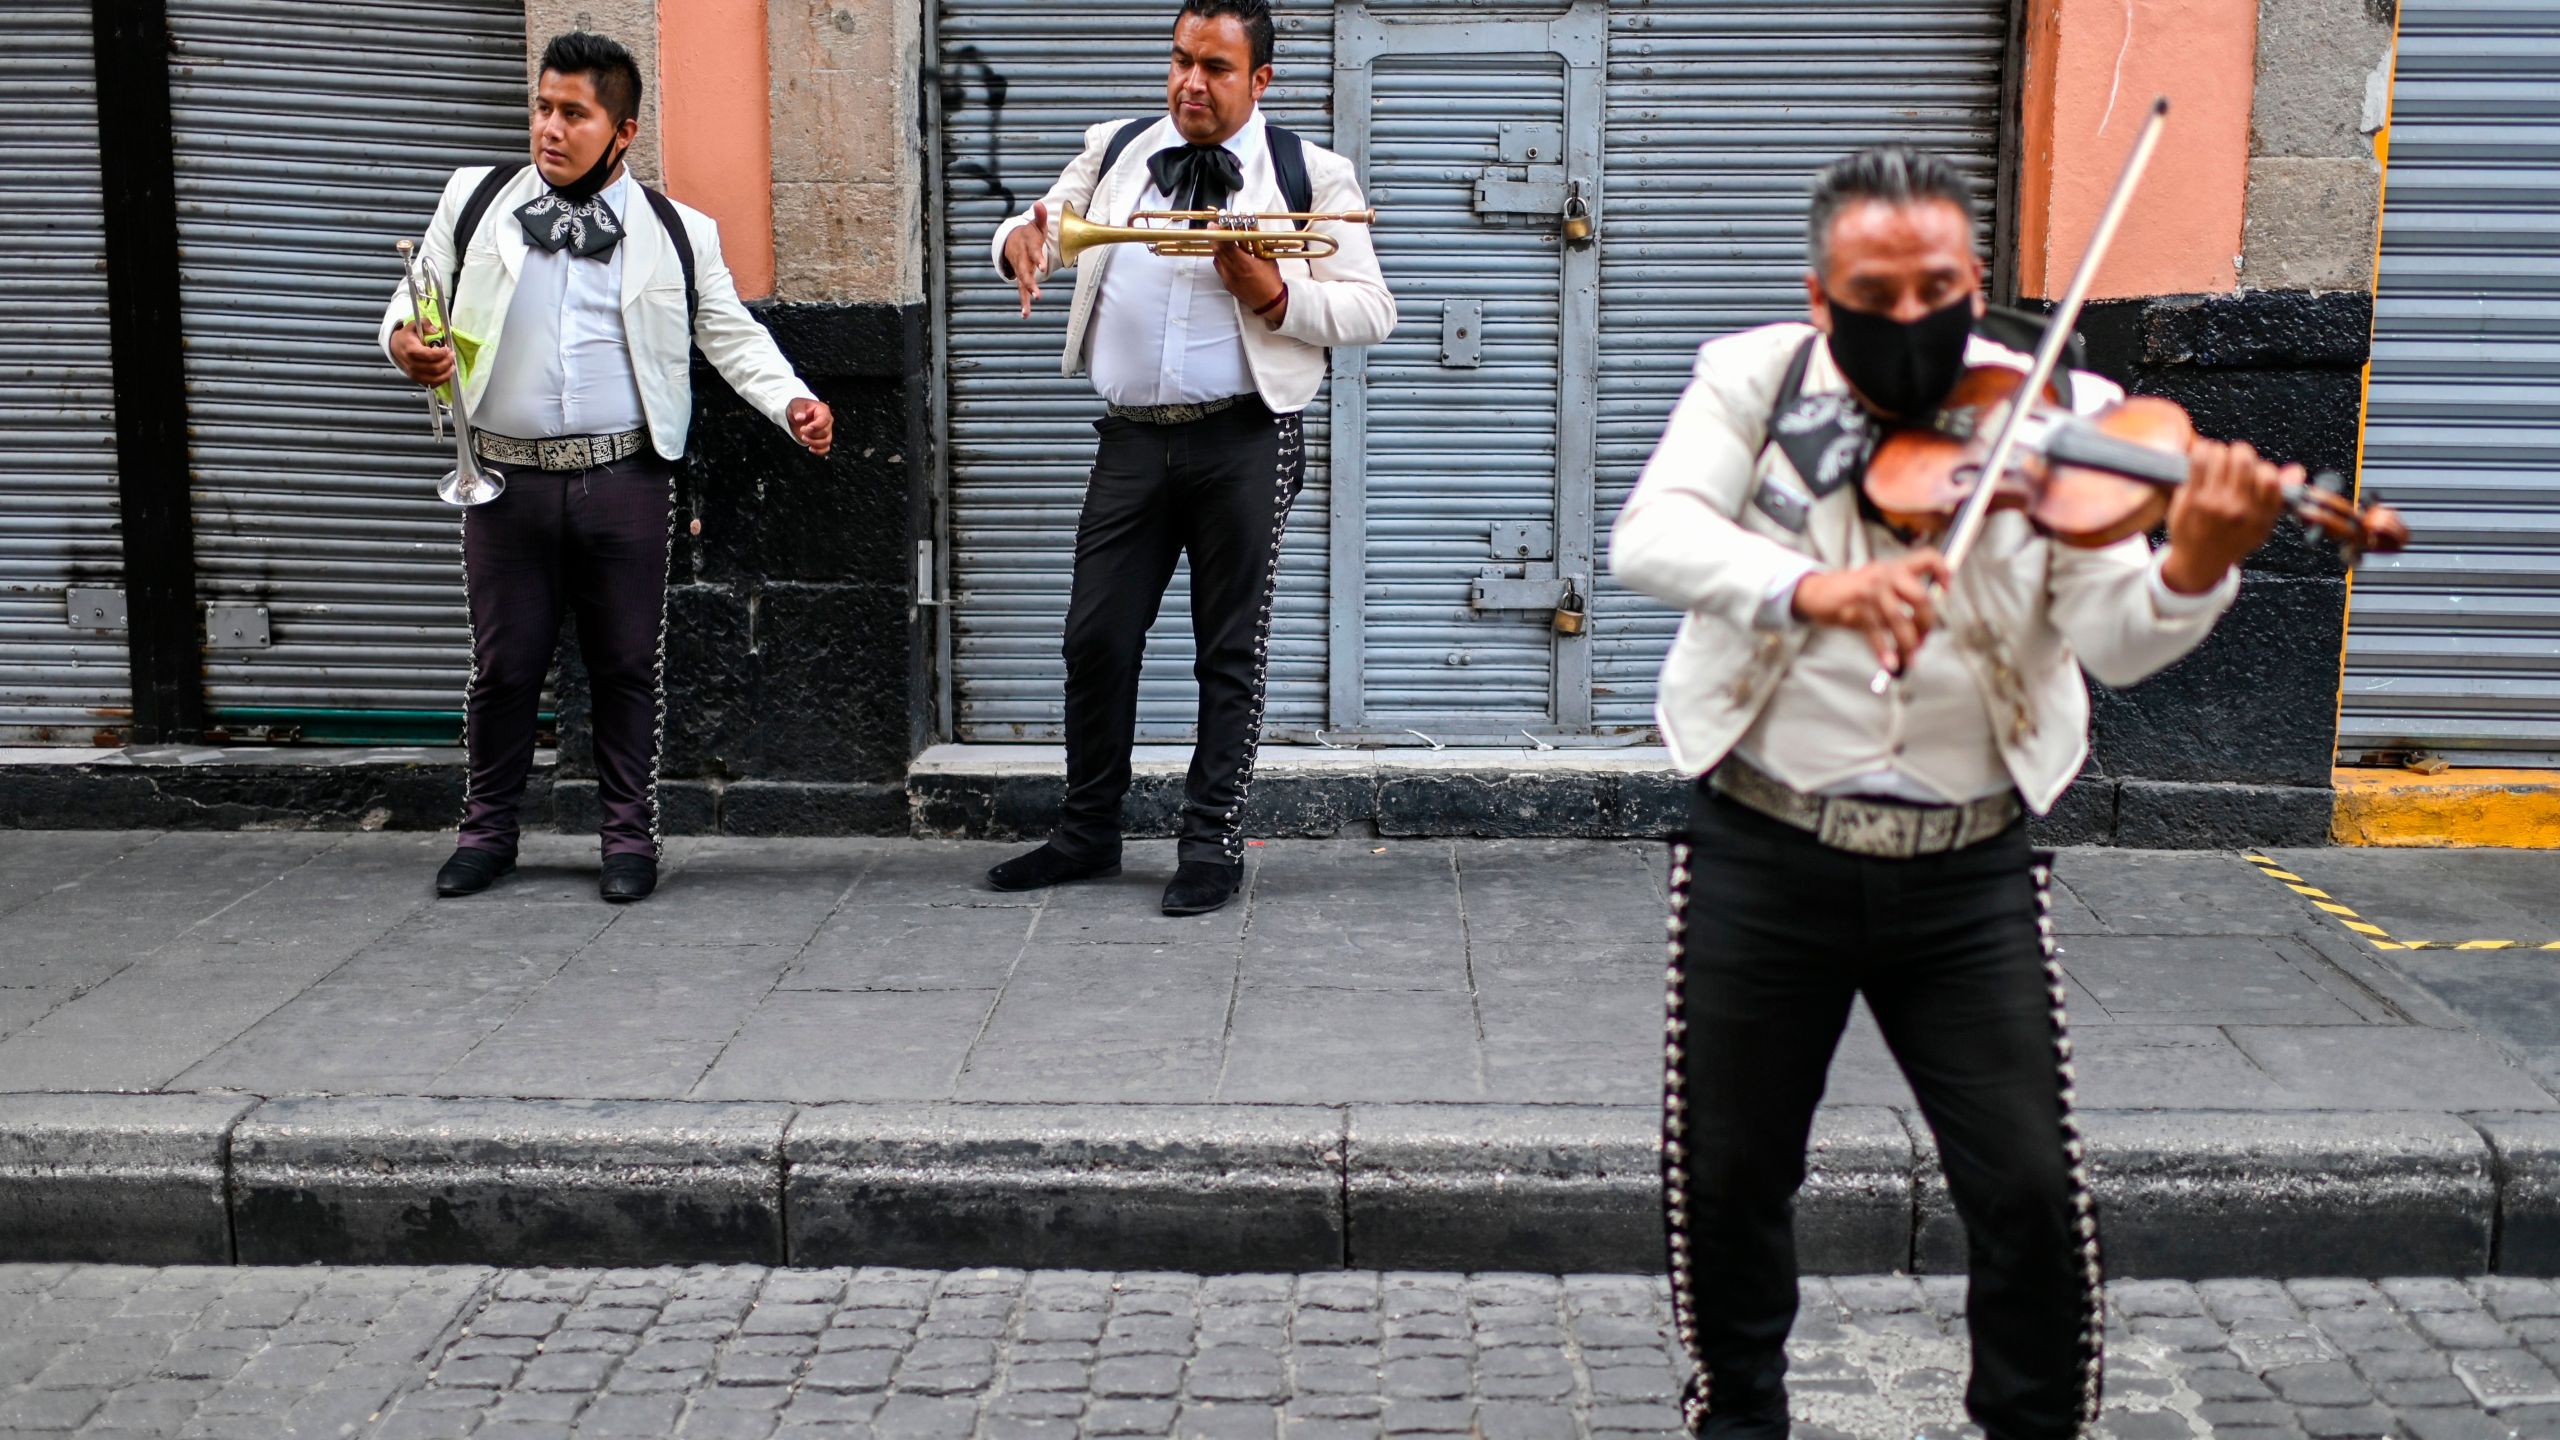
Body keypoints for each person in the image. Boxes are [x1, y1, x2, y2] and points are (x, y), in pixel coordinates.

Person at [1611, 146, 2291, 1439]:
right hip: (1765, 838)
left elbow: (2117, 639)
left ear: (1978, 279)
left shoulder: (2065, 413)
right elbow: (1652, 535)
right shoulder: (1749, 380)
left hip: (1969, 865)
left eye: (1942, 288)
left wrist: (2197, 563)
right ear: (1821, 298)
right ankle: (1739, 1412)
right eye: (1879, 292)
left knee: (2032, 1186)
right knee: (1729, 1173)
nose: (1915, 320)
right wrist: (1813, 587)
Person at [384, 32, 835, 904]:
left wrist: (793, 404)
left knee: (628, 663)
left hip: (626, 477)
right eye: (542, 108)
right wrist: (407, 344)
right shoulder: (473, 201)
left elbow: (731, 336)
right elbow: (414, 299)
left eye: (574, 114)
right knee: (505, 666)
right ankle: (487, 835)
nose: (550, 129)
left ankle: (629, 841)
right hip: (503, 476)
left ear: (623, 131)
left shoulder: (676, 230)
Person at [981, 0, 1395, 916]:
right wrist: (1018, 240)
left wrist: (1276, 293)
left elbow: (1372, 308)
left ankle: (1209, 844)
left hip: (1244, 439)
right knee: (1095, 639)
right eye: (1180, 60)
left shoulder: (1310, 173)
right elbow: (1044, 219)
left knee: (1229, 651)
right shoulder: (1120, 144)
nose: (1190, 84)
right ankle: (1087, 831)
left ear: (1261, 80)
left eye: (1214, 67)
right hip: (1131, 440)